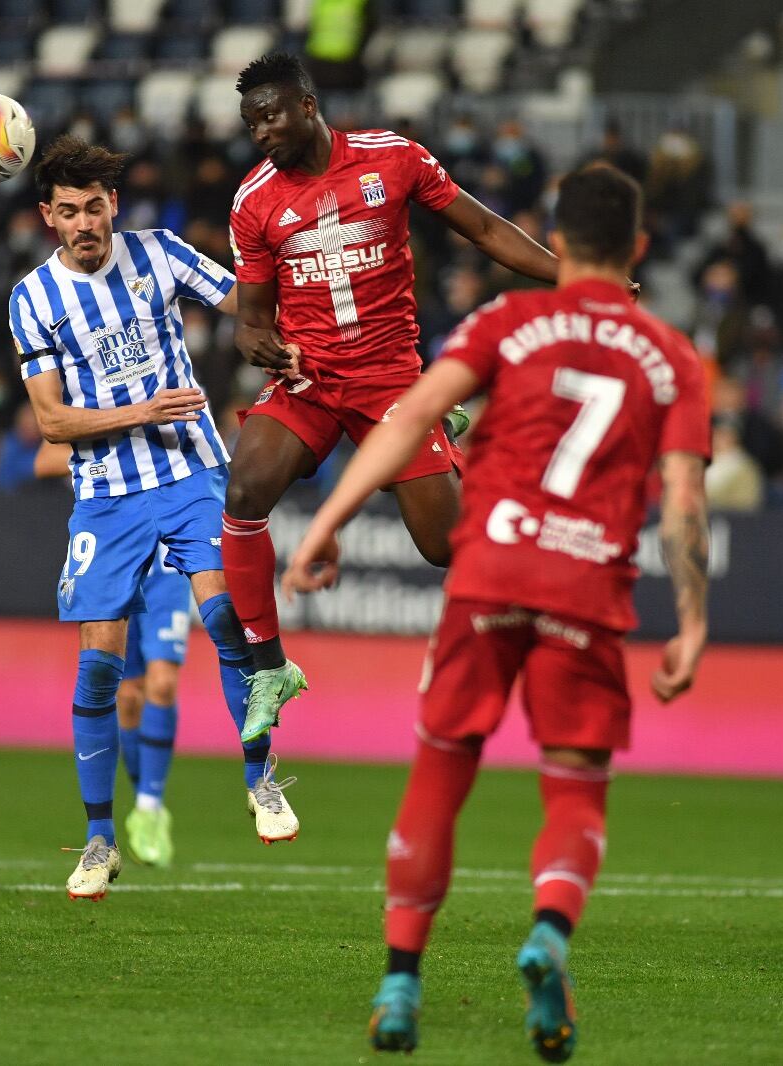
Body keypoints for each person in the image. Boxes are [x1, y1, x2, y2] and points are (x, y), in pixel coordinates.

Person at [281, 166, 710, 1059]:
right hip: (584, 592)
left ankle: (400, 984)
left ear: (558, 240)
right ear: (635, 249)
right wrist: (694, 620)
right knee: (574, 786)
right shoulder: (670, 355)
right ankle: (549, 931)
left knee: (440, 773)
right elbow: (683, 503)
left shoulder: (505, 322)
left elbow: (411, 417)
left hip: (488, 573)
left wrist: (326, 520)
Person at [222, 53, 561, 746]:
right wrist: (258, 344)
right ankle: (268, 666)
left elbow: (488, 231)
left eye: (271, 115)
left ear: (309, 106)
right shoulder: (252, 202)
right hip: (309, 379)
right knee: (243, 491)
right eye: (250, 122)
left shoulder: (393, 158)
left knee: (442, 548)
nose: (260, 132)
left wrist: (576, 278)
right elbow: (252, 319)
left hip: (391, 381)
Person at [9, 136, 299, 902]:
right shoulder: (32, 299)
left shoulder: (159, 254)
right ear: (48, 216)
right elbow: (51, 423)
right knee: (101, 665)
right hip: (105, 495)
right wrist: (142, 409)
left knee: (227, 619)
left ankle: (261, 783)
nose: (84, 223)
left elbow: (245, 298)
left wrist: (310, 306)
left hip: (190, 471)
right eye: (68, 210)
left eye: (95, 207)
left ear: (115, 207)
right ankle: (100, 840)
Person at [35, 440, 189, 867]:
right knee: (127, 697)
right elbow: (44, 459)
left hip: (164, 565)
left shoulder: (162, 404)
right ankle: (143, 791)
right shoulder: (97, 413)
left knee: (162, 682)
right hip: (114, 555)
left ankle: (150, 806)